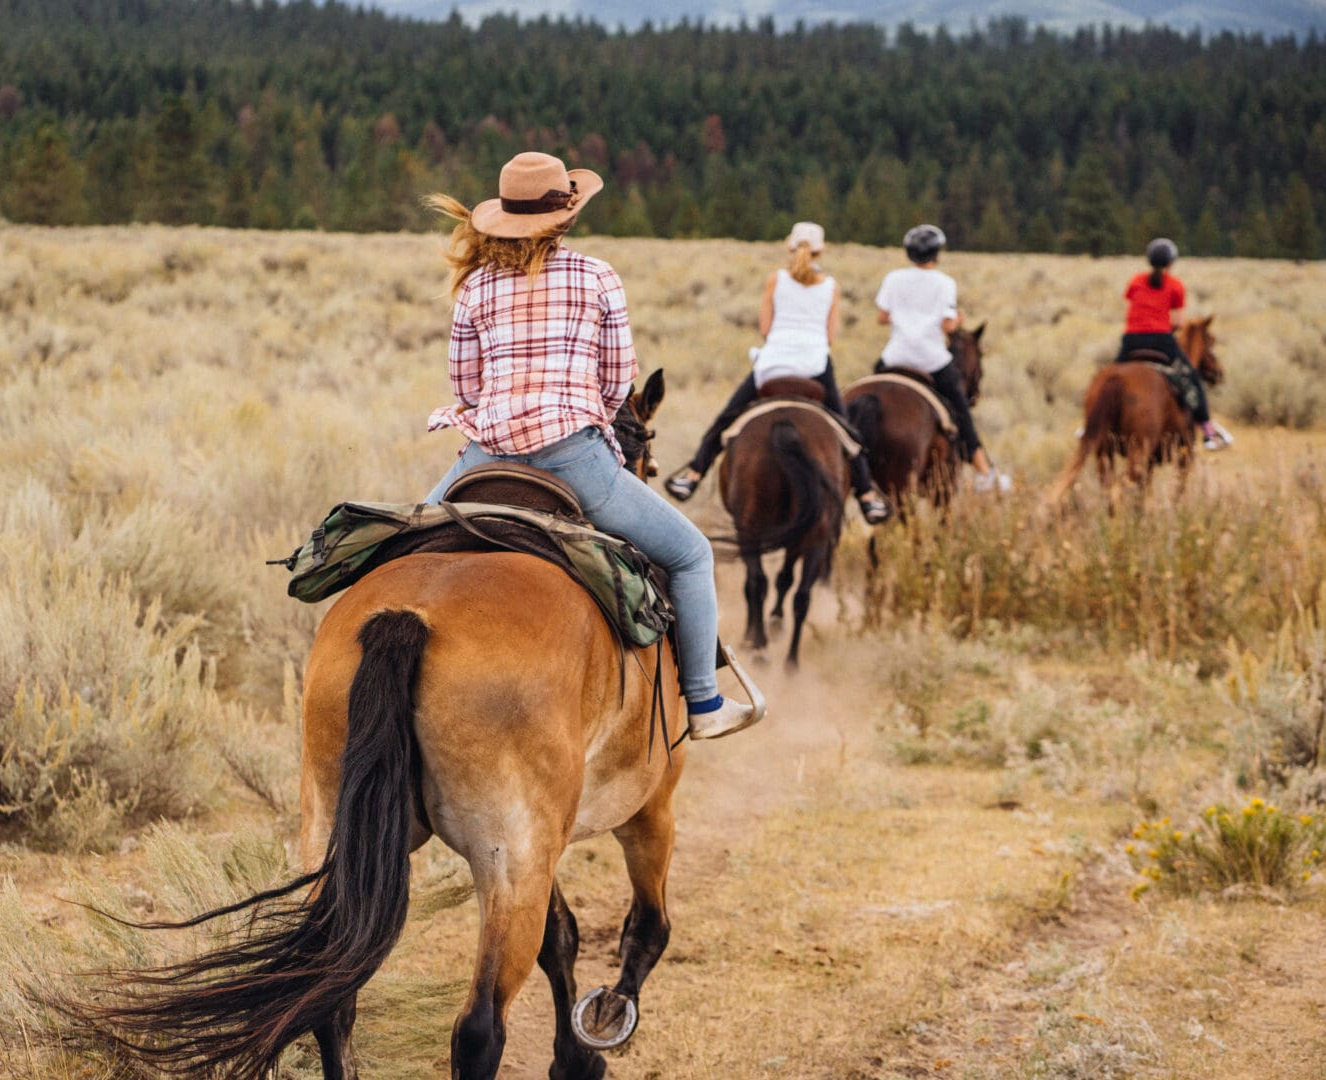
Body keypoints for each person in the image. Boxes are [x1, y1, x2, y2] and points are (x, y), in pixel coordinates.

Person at [422, 151, 759, 740]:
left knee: (408, 542)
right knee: (689, 555)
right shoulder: (597, 276)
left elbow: (466, 388)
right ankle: (703, 703)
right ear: (565, 218)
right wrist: (578, 417)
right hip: (572, 460)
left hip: (485, 456)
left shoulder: (474, 286)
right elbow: (616, 381)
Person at [661, 222, 892, 525]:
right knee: (846, 431)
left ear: (790, 247)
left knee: (727, 418)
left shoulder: (775, 279)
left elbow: (766, 329)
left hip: (773, 361)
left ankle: (693, 474)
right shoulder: (831, 286)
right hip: (815, 364)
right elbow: (830, 337)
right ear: (821, 250)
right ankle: (866, 495)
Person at [874, 224, 1001, 491]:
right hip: (931, 359)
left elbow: (882, 318)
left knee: (870, 396)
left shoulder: (893, 278)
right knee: (961, 411)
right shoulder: (945, 283)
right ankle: (983, 469)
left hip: (895, 356)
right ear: (936, 253)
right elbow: (947, 327)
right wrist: (957, 320)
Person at [1116, 238, 1229, 451]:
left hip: (1131, 339)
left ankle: (1089, 426)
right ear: (1170, 263)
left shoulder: (1136, 281)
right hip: (1161, 339)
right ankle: (1208, 432)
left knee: (1110, 375)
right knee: (1191, 378)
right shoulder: (1175, 285)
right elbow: (1177, 321)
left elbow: (1131, 304)